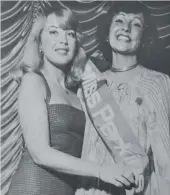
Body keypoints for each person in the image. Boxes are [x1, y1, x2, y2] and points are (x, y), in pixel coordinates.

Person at [7, 5, 137, 195]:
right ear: (40, 42)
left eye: (70, 34)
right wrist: (101, 170)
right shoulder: (34, 81)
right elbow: (40, 153)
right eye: (53, 32)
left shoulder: (81, 92)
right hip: (32, 187)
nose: (63, 40)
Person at [76, 1, 170, 195]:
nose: (125, 28)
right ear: (107, 33)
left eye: (136, 24)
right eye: (119, 21)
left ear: (144, 38)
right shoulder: (88, 87)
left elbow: (165, 157)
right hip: (93, 190)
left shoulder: (157, 82)